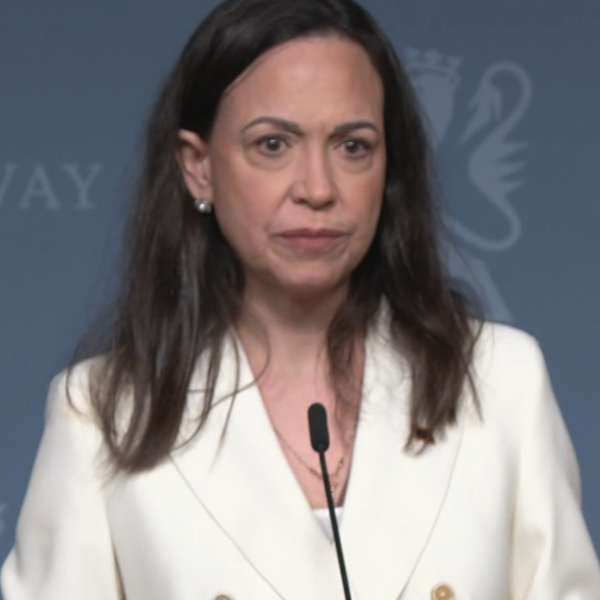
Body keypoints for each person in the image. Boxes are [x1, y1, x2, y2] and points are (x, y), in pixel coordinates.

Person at [2, 0, 600, 598]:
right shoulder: (103, 414)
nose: (317, 188)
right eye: (273, 144)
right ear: (199, 167)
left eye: (352, 146)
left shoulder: (502, 380)